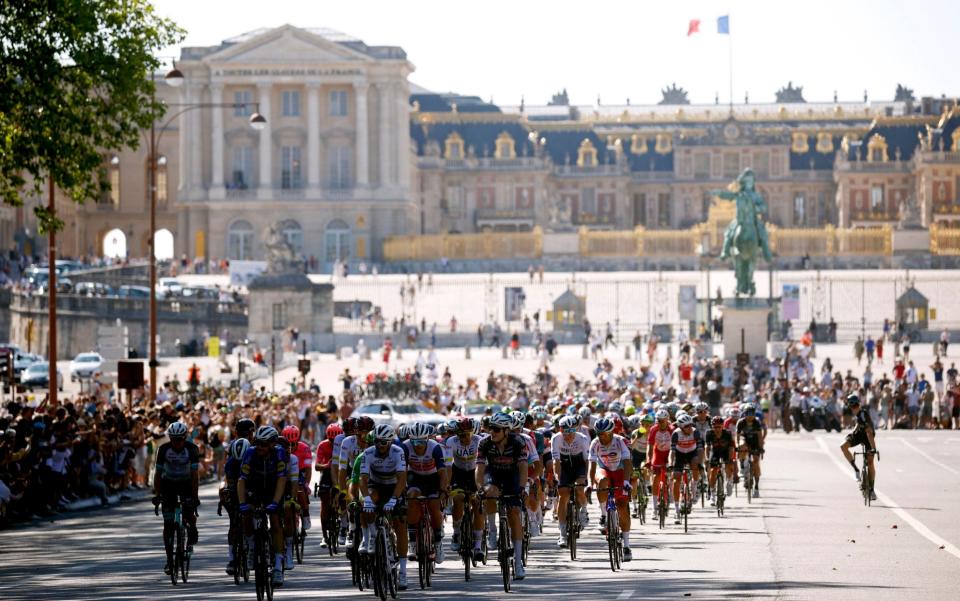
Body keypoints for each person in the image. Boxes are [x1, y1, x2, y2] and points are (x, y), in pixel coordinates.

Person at [476, 412, 529, 579]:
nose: (492, 432)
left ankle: (518, 561)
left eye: (496, 429)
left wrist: (521, 487)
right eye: (491, 428)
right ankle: (492, 531)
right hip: (493, 474)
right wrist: (479, 488)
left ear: (506, 431)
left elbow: (522, 467)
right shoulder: (484, 443)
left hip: (512, 475)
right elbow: (479, 469)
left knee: (514, 514)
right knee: (490, 491)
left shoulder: (518, 442)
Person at [358, 424, 409, 589]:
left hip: (395, 487)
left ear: (390, 441)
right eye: (378, 442)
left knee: (400, 525)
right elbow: (363, 479)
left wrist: (394, 499)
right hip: (376, 486)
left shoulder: (398, 452)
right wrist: (366, 499)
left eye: (384, 442)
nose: (380, 445)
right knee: (367, 504)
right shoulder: (368, 453)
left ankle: (403, 572)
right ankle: (373, 536)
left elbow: (402, 478)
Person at [237, 426, 288, 587]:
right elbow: (242, 480)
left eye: (264, 444)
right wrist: (242, 503)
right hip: (255, 488)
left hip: (274, 488)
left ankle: (278, 567)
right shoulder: (250, 453)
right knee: (246, 514)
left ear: (273, 444)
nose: (260, 447)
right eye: (258, 443)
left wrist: (275, 502)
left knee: (275, 521)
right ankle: (252, 547)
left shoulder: (280, 453)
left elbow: (281, 479)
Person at [153, 422, 200, 577]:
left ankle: (192, 528)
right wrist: (157, 494)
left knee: (188, 513)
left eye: (179, 439)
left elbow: (194, 476)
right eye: (173, 439)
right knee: (168, 524)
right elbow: (158, 474)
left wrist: (195, 497)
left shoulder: (192, 449)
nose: (176, 443)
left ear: (185, 438)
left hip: (186, 484)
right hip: (168, 485)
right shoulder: (163, 449)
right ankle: (169, 560)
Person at [403, 422, 450, 564]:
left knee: (434, 505)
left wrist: (443, 490)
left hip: (432, 478)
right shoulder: (405, 446)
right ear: (411, 439)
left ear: (427, 439)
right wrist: (403, 488)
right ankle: (412, 544)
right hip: (415, 477)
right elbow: (402, 470)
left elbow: (443, 472)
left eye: (422, 441)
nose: (418, 444)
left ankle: (437, 543)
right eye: (415, 441)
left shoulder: (435, 447)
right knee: (412, 499)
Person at [589, 417, 633, 560]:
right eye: (598, 433)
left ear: (611, 433)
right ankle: (603, 515)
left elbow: (627, 462)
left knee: (622, 506)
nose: (601, 436)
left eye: (604, 434)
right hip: (605, 470)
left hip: (620, 471)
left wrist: (626, 481)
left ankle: (626, 546)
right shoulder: (595, 443)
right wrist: (590, 483)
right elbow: (592, 465)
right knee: (602, 481)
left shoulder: (620, 441)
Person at [444, 417, 484, 554]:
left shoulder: (479, 441)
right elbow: (448, 466)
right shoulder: (451, 442)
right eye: (461, 435)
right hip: (458, 473)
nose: (464, 438)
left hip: (475, 472)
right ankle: (456, 533)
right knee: (458, 499)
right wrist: (448, 485)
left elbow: (483, 464)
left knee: (477, 503)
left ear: (473, 433)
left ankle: (478, 544)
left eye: (467, 434)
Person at [552, 415, 589, 548]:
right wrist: (557, 478)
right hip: (565, 466)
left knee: (579, 488)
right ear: (560, 430)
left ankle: (584, 510)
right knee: (563, 494)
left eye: (571, 431)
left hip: (579, 465)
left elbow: (586, 461)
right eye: (565, 431)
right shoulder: (556, 439)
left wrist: (585, 477)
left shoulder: (582, 439)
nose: (568, 435)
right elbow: (556, 462)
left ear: (576, 429)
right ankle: (562, 534)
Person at [220, 438, 251, 575]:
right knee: (233, 522)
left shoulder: (253, 459)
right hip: (235, 490)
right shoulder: (230, 464)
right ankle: (232, 558)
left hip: (250, 488)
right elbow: (231, 484)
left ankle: (254, 547)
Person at [839, 394, 877, 501]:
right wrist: (853, 432)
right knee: (843, 446)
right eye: (852, 406)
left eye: (854, 406)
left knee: (870, 462)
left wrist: (873, 448)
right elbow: (858, 422)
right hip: (860, 435)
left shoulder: (863, 415)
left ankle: (872, 490)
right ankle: (856, 470)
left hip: (868, 437)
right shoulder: (859, 413)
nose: (853, 408)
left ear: (857, 405)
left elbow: (869, 432)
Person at [668, 414, 703, 524]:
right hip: (680, 454)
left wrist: (701, 463)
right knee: (676, 479)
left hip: (692, 453)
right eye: (686, 426)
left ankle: (695, 485)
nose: (689, 428)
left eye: (690, 425)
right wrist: (670, 463)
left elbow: (701, 449)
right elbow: (672, 452)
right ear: (681, 427)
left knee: (695, 463)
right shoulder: (676, 434)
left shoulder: (695, 432)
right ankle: (677, 510)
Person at [735, 404, 766, 497]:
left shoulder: (756, 422)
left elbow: (760, 436)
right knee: (742, 445)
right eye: (748, 413)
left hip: (755, 442)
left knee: (756, 462)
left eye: (752, 413)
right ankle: (742, 466)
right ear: (745, 413)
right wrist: (737, 447)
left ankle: (756, 487)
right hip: (744, 439)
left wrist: (761, 448)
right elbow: (737, 436)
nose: (750, 415)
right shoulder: (741, 422)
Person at [705, 416, 735, 503]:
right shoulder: (709, 433)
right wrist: (707, 458)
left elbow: (731, 447)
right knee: (713, 470)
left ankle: (729, 480)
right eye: (715, 427)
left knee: (728, 465)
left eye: (719, 427)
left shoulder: (728, 433)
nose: (717, 429)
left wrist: (730, 459)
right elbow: (707, 446)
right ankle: (713, 492)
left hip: (726, 451)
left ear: (723, 426)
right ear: (712, 427)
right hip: (715, 452)